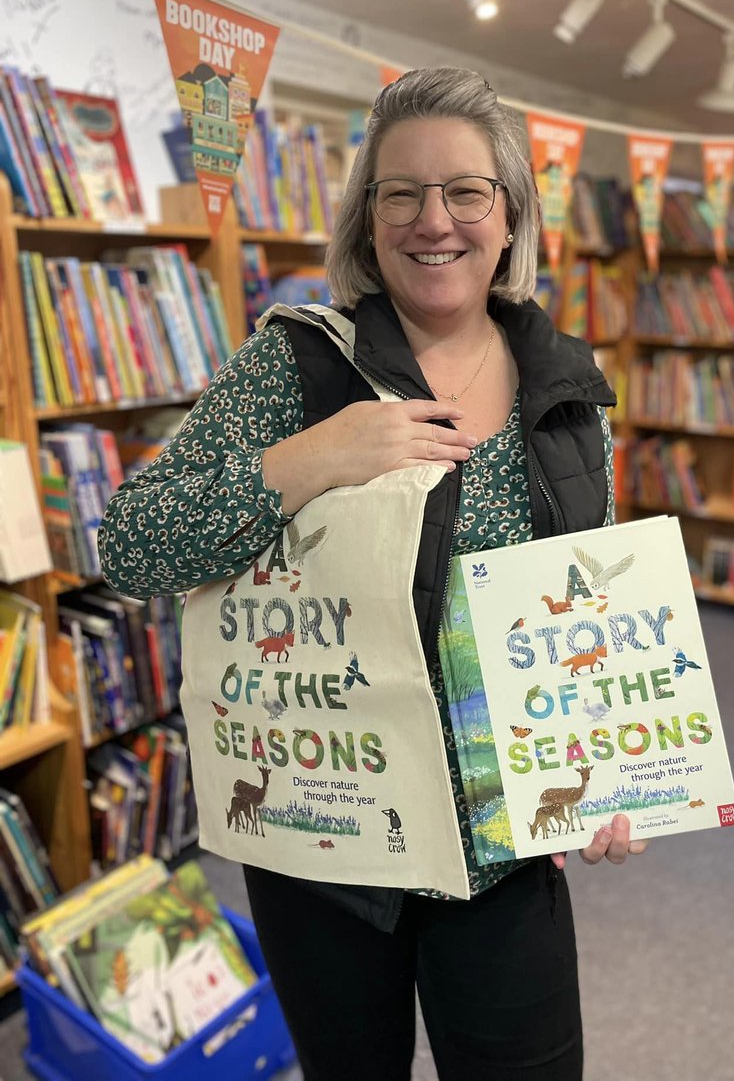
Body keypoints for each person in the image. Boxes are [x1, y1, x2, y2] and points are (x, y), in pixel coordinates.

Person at [98, 66, 647, 1081]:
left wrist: (606, 768)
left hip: (502, 851)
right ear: (367, 216)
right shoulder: (299, 368)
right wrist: (318, 456)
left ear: (511, 213)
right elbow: (132, 547)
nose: (433, 220)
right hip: (330, 848)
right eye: (401, 192)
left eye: (465, 191)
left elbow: (585, 606)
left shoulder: (567, 386)